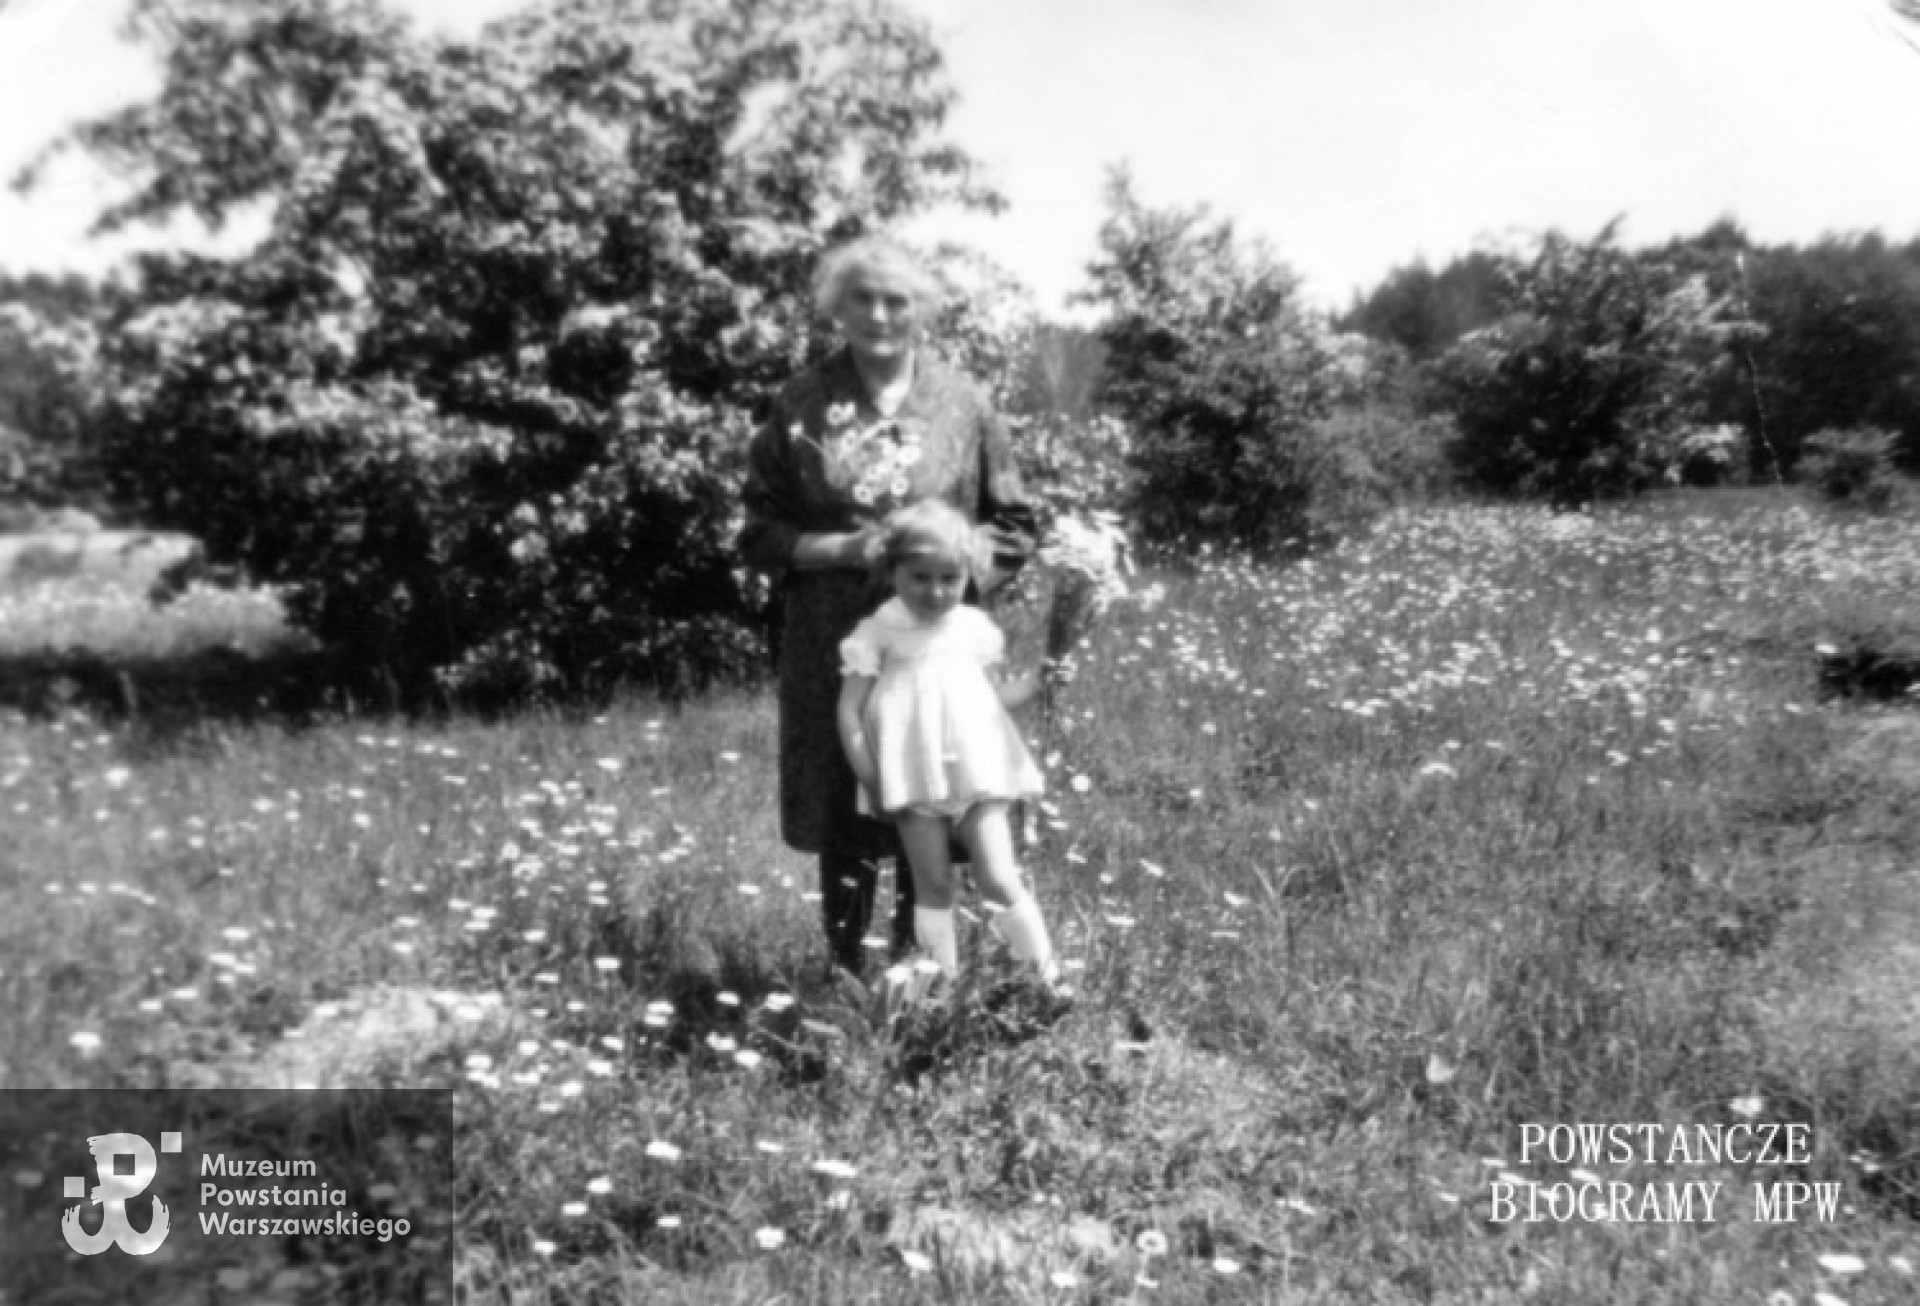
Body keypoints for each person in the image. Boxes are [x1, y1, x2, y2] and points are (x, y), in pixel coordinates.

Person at [736, 235, 1038, 978]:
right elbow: (759, 532)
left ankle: (919, 971)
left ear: (922, 309)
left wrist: (957, 565)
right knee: (847, 793)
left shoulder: (963, 403)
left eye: (896, 299)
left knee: (933, 790)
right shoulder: (801, 402)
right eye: (861, 298)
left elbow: (1018, 522)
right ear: (835, 307)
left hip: (936, 646)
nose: (878, 313)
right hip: (834, 643)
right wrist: (842, 550)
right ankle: (843, 972)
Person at [836, 500, 1060, 991]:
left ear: (967, 575)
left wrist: (1037, 684)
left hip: (980, 770)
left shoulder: (973, 629)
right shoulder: (877, 633)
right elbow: (850, 710)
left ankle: (1046, 980)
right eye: (920, 577)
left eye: (950, 578)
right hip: (911, 778)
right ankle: (945, 989)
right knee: (932, 884)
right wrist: (870, 775)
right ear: (892, 570)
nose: (936, 592)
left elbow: (990, 698)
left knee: (998, 875)